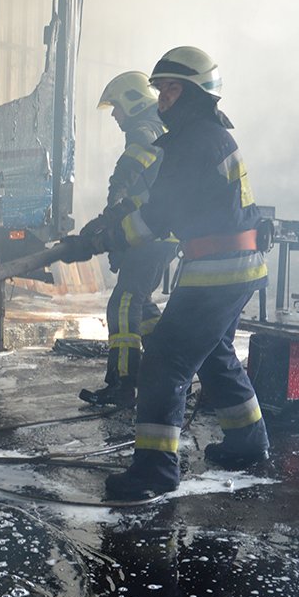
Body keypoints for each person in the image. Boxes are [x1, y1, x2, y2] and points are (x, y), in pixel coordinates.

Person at [59, 46, 270, 500]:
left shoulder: (194, 140)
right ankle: (248, 441)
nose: (162, 99)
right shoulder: (198, 138)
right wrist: (106, 223)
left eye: (171, 89)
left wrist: (97, 243)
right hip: (233, 266)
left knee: (165, 362)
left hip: (218, 270)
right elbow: (154, 199)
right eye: (160, 89)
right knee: (214, 354)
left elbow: (155, 219)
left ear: (195, 93)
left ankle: (155, 470)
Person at [78, 71, 175, 408]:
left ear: (133, 101)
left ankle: (123, 385)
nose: (116, 116)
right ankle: (166, 368)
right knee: (142, 303)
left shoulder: (143, 131)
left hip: (153, 234)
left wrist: (110, 215)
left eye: (117, 107)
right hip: (162, 232)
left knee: (122, 303)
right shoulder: (160, 127)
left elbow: (127, 177)